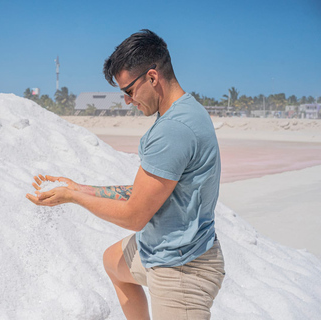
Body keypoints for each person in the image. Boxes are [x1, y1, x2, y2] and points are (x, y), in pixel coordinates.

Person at [26, 29, 225, 320]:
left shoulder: (173, 130)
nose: (127, 101)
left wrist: (72, 198)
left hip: (182, 270)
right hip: (164, 250)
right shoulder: (182, 112)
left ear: (153, 78)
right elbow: (143, 191)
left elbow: (134, 216)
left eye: (129, 91)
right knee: (113, 262)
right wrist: (82, 188)